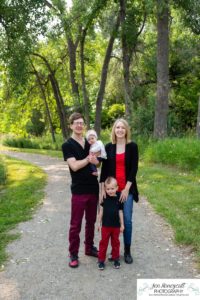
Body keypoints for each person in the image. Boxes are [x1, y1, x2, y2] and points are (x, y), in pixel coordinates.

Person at [62, 112, 99, 268]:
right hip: (78, 190)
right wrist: (87, 159)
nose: (79, 125)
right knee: (75, 224)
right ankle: (73, 253)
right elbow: (74, 166)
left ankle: (89, 248)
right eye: (76, 123)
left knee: (91, 221)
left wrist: (95, 162)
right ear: (71, 125)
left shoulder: (91, 143)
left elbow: (97, 164)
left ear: (84, 126)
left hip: (93, 188)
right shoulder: (67, 145)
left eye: (81, 123)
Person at [100, 118, 139, 264]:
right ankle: (113, 251)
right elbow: (103, 171)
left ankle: (127, 251)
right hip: (111, 191)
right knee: (110, 220)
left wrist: (126, 189)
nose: (120, 130)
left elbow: (134, 168)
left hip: (126, 190)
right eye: (117, 127)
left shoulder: (132, 146)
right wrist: (102, 190)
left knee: (127, 221)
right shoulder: (109, 147)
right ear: (114, 130)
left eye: (123, 128)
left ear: (126, 130)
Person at [97, 177, 124, 270]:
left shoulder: (119, 199)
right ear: (105, 189)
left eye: (112, 188)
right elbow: (101, 211)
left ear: (117, 188)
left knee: (116, 243)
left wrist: (122, 224)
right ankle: (101, 260)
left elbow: (120, 212)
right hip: (105, 226)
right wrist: (98, 223)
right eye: (108, 189)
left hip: (116, 226)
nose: (110, 191)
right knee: (103, 243)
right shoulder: (104, 198)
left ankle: (116, 259)